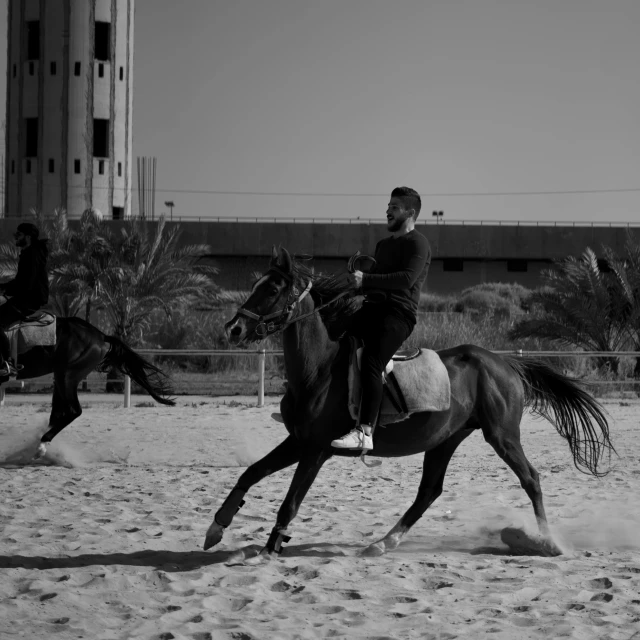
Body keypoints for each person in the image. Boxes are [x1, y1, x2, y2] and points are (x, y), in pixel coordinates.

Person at [331, 186, 431, 451]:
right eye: (388, 206)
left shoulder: (418, 243)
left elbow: (405, 280)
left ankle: (364, 432)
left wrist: (367, 279)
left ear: (410, 213)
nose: (388, 210)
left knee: (372, 360)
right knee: (334, 337)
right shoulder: (383, 245)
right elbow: (376, 283)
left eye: (394, 207)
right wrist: (358, 286)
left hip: (399, 315)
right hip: (372, 309)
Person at [0, 223, 50, 376]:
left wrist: (5, 288)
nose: (16, 237)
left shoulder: (32, 254)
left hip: (28, 301)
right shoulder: (29, 252)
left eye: (19, 235)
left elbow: (26, 284)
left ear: (28, 237)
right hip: (25, 298)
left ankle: (7, 363)